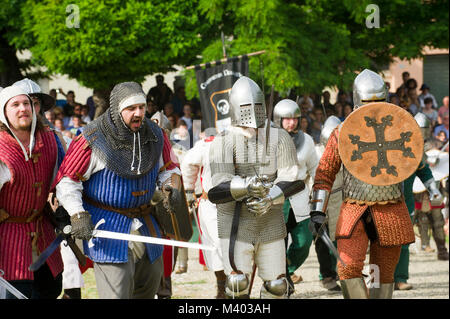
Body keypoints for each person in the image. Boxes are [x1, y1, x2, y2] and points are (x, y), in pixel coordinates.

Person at [54, 81, 182, 299]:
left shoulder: (155, 134)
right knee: (116, 294)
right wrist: (77, 213)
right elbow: (67, 180)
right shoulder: (92, 138)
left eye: (141, 107)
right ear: (117, 109)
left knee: (147, 288)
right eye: (131, 108)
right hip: (108, 228)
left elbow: (169, 168)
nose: (138, 113)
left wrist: (169, 186)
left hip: (146, 224)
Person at [310, 69, 417, 299]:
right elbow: (325, 173)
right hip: (354, 209)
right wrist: (317, 211)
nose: (373, 106)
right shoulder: (342, 133)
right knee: (347, 267)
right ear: (358, 101)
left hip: (390, 208)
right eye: (368, 101)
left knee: (383, 274)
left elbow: (415, 161)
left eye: (378, 101)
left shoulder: (401, 127)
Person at [207, 76, 305, 299]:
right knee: (237, 284)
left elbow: (293, 178)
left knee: (278, 286)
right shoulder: (223, 141)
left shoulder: (279, 137)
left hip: (270, 219)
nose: (251, 113)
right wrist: (247, 187)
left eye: (256, 106)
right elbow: (219, 187)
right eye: (245, 107)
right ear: (234, 108)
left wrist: (269, 197)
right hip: (235, 221)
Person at [0, 85, 65, 298]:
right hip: (9, 241)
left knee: (51, 290)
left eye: (26, 103)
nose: (23, 109)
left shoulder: (49, 139)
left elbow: (67, 179)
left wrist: (67, 209)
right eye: (15, 105)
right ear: (4, 111)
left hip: (44, 233)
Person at [392, 112, 444, 290]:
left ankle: (400, 278)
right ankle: (383, 280)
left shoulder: (416, 149)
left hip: (405, 201)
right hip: (384, 199)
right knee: (382, 242)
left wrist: (433, 189)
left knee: (404, 241)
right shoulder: (392, 144)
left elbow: (423, 170)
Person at [273, 99, 319, 294]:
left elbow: (316, 170)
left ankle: (287, 271)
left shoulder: (307, 140)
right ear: (279, 119)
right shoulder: (267, 140)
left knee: (303, 242)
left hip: (300, 198)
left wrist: (319, 199)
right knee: (277, 246)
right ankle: (282, 280)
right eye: (287, 119)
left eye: (294, 119)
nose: (291, 122)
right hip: (275, 199)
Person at [181, 132, 227, 298]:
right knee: (219, 246)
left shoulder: (246, 140)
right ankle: (223, 288)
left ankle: (238, 288)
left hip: (239, 202)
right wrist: (189, 189)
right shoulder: (206, 144)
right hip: (212, 204)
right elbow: (188, 162)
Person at [314, 116, 343, 291]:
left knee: (343, 239)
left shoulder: (348, 151)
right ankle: (327, 275)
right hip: (320, 199)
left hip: (341, 200)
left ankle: (341, 271)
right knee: (322, 241)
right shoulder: (315, 152)